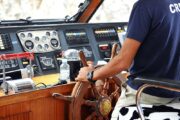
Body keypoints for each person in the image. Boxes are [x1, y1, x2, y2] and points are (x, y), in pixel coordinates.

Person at [76, 0, 180, 119]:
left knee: (115, 115)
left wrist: (90, 75)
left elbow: (123, 62)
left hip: (147, 94)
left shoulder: (145, 6)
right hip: (176, 93)